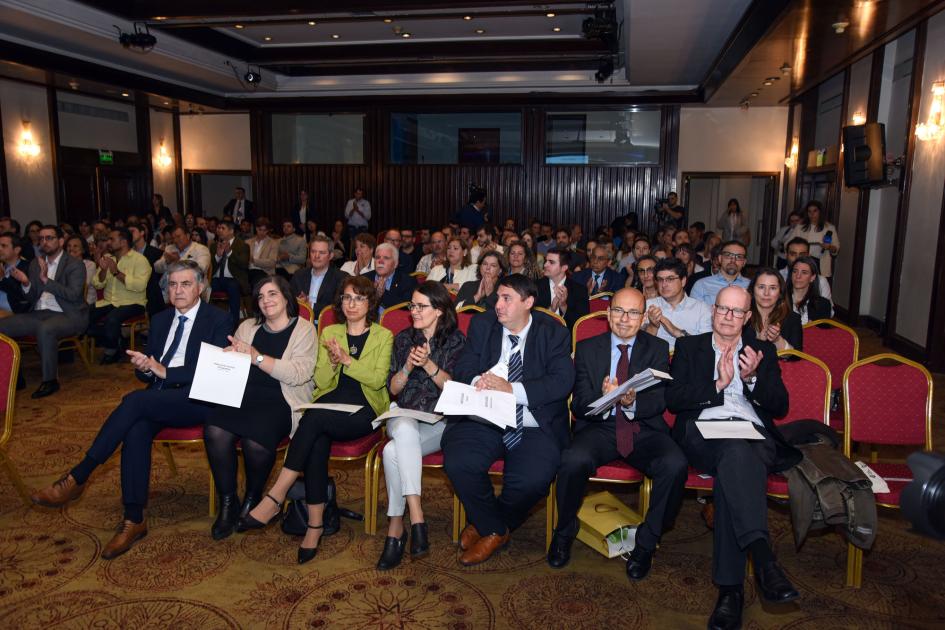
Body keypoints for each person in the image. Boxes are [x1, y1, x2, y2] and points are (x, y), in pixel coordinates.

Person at [29, 261, 230, 558]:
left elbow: (216, 370)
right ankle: (134, 518)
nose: (178, 290)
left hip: (198, 398)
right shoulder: (160, 320)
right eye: (172, 285)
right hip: (158, 396)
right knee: (136, 426)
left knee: (133, 402)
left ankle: (79, 475)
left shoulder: (219, 319)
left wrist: (165, 373)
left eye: (185, 284)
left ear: (200, 287)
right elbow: (146, 369)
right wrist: (147, 370)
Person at [666, 286, 801, 629]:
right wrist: (716, 384)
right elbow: (675, 399)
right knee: (736, 455)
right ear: (713, 312)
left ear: (747, 317)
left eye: (736, 312)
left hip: (753, 436)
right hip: (702, 433)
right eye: (723, 309)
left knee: (736, 462)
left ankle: (731, 591)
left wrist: (751, 378)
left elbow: (780, 405)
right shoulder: (689, 347)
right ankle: (763, 559)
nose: (728, 317)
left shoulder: (762, 351)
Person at [242, 276, 393, 564]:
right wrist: (333, 364)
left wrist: (347, 360)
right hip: (328, 403)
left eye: (359, 298)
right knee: (316, 432)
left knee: (312, 421)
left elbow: (376, 381)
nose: (351, 304)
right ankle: (314, 524)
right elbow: (320, 382)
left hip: (364, 408)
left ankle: (277, 496)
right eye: (347, 298)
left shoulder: (382, 336)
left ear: (370, 303)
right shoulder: (330, 332)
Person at [549, 288, 686, 577]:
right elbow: (580, 406)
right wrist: (604, 398)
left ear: (643, 316)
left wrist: (632, 400)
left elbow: (661, 399)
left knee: (675, 465)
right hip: (600, 427)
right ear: (608, 314)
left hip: (642, 427)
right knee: (572, 460)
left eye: (633, 312)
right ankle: (564, 530)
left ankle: (647, 542)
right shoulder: (587, 348)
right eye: (619, 311)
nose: (624, 319)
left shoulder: (657, 349)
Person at [443, 274, 574, 566]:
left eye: (507, 299)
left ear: (528, 302)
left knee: (532, 480)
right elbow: (463, 365)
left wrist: (512, 389)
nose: (498, 305)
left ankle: (487, 522)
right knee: (459, 462)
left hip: (531, 420)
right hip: (485, 415)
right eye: (498, 298)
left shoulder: (553, 332)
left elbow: (561, 382)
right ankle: (494, 529)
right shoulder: (483, 324)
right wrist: (480, 380)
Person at [204, 275, 317, 540]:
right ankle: (228, 502)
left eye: (272, 294)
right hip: (242, 395)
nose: (266, 301)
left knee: (256, 440)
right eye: (261, 296)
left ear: (287, 297)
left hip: (281, 399)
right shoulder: (247, 327)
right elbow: (234, 364)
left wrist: (257, 357)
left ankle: (253, 498)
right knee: (214, 429)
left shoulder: (304, 330)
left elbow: (299, 374)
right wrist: (225, 358)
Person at [377, 282, 466, 570]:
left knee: (392, 452)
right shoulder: (404, 339)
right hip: (405, 414)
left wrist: (428, 366)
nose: (414, 311)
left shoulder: (456, 341)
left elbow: (456, 390)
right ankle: (417, 517)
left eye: (421, 306)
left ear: (439, 310)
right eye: (411, 306)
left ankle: (396, 528)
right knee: (402, 424)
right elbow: (393, 388)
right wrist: (407, 367)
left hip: (439, 421)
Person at [0, 226, 89, 398]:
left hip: (69, 315)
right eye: (41, 239)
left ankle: (50, 381)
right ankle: (13, 379)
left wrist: (46, 280)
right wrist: (26, 283)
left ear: (61, 241)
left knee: (46, 328)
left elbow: (73, 295)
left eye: (49, 238)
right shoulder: (35, 263)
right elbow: (32, 296)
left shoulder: (75, 264)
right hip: (39, 313)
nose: (44, 242)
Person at [88, 228, 151, 364]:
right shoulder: (108, 258)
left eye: (112, 239)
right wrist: (104, 271)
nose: (108, 242)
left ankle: (111, 351)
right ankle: (117, 340)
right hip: (109, 302)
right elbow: (97, 284)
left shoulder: (140, 260)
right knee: (82, 317)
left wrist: (116, 272)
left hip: (133, 303)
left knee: (112, 319)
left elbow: (139, 286)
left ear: (123, 242)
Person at [644, 258, 712, 351]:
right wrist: (652, 326)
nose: (664, 285)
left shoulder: (701, 309)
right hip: (655, 362)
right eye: (660, 280)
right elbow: (640, 346)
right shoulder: (648, 305)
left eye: (670, 279)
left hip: (689, 362)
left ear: (683, 281)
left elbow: (705, 348)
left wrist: (675, 331)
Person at [290, 235, 348, 321]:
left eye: (321, 253)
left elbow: (338, 308)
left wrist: (309, 305)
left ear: (331, 255)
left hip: (328, 326)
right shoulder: (299, 275)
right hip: (300, 324)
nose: (316, 256)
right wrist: (298, 302)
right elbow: (289, 301)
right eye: (313, 251)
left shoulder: (341, 278)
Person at [748, 268, 802, 350]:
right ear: (752, 289)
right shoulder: (740, 314)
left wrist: (777, 341)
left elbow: (796, 356)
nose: (766, 293)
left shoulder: (793, 319)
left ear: (780, 292)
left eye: (772, 288)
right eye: (761, 287)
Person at [154, 226, 212, 301]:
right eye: (173, 238)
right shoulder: (170, 248)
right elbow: (156, 268)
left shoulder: (201, 249)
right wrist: (167, 262)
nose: (175, 240)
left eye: (178, 236)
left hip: (191, 286)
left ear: (187, 236)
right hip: (166, 287)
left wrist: (179, 261)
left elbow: (201, 269)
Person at [536, 249, 588, 329]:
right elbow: (530, 319)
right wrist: (551, 309)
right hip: (540, 336)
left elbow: (582, 324)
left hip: (568, 337)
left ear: (564, 268)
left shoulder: (579, 290)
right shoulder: (535, 286)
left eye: (551, 262)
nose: (545, 265)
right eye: (546, 261)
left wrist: (564, 306)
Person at [789, 200, 839, 280]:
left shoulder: (829, 227)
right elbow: (788, 244)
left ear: (820, 212)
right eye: (809, 211)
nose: (812, 214)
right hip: (803, 262)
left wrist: (829, 247)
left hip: (821, 264)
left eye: (815, 211)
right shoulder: (800, 228)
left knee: (820, 289)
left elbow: (836, 248)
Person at [690, 240, 750, 305]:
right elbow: (694, 314)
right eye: (728, 255)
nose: (733, 260)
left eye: (739, 257)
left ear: (744, 262)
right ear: (720, 258)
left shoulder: (750, 286)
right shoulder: (702, 285)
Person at [365, 243, 418, 312]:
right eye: (377, 257)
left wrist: (383, 294)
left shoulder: (408, 282)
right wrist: (375, 295)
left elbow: (407, 307)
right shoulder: (364, 279)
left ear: (395, 263)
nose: (380, 261)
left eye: (386, 258)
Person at [781, 237, 833, 305]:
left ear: (808, 256)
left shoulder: (821, 281)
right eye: (793, 254)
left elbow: (827, 311)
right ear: (786, 255)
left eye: (802, 254)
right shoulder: (777, 277)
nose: (798, 258)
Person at [129, 223, 166, 318]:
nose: (130, 234)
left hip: (152, 290)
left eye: (132, 231)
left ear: (142, 233)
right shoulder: (128, 254)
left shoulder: (156, 252)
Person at [786, 256, 832, 324]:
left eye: (804, 272)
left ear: (812, 277)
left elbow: (823, 333)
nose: (798, 276)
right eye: (795, 271)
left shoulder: (823, 304)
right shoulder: (779, 299)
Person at [0, 232, 31, 316]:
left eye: (3, 246)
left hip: (15, 313)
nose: (0, 249)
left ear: (17, 250)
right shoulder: (2, 267)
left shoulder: (28, 268)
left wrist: (2, 278)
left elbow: (23, 296)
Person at [65, 234, 98, 307]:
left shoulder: (90, 265)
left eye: (75, 246)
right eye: (69, 246)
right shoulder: (63, 265)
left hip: (87, 304)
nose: (71, 249)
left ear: (83, 250)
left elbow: (81, 287)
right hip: (68, 303)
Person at [247, 217, 278, 287]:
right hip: (248, 270)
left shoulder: (273, 243)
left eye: (265, 230)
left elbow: (272, 262)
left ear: (268, 231)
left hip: (264, 271)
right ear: (256, 228)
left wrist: (254, 261)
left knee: (256, 280)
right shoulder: (248, 242)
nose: (262, 232)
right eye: (260, 230)